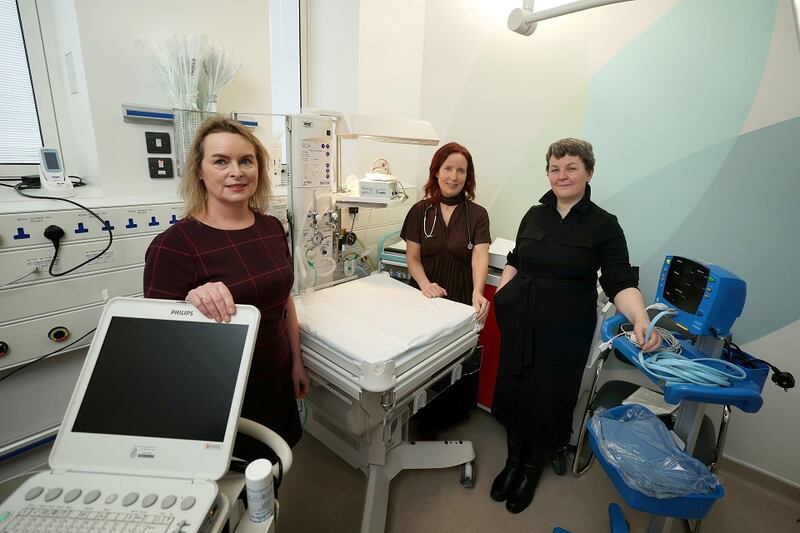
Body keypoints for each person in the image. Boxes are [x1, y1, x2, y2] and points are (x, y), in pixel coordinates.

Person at [490, 138, 661, 514]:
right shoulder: (534, 214)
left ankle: (531, 468)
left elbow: (619, 281)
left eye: (571, 167)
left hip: (565, 328)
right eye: (555, 168)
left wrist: (640, 316)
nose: (562, 175)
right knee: (514, 389)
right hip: (521, 316)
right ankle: (513, 461)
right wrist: (503, 295)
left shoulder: (604, 224)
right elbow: (516, 259)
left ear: (589, 172)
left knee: (549, 396)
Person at [143, 116, 309, 461]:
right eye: (221, 161)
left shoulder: (270, 227)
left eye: (246, 161)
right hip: (219, 391)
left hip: (274, 375)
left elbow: (283, 300)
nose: (237, 172)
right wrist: (190, 303)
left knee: (272, 472)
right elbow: (158, 348)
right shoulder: (174, 246)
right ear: (200, 171)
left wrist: (297, 362)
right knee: (230, 487)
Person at [400, 142, 491, 432]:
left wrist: (478, 292)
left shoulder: (477, 214)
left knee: (454, 362)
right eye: (448, 168)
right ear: (436, 171)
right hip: (424, 299)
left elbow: (479, 255)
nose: (454, 176)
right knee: (422, 361)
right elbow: (412, 258)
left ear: (468, 175)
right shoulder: (419, 211)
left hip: (459, 300)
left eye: (461, 170)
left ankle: (448, 417)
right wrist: (425, 285)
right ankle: (418, 419)